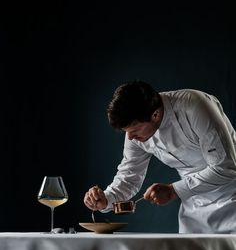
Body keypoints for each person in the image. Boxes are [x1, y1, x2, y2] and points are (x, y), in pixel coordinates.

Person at [83, 80, 236, 233]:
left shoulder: (195, 105)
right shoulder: (136, 131)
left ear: (155, 114)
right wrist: (106, 199)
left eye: (134, 130)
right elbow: (129, 177)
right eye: (126, 132)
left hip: (232, 200)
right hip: (194, 210)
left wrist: (172, 190)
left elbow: (225, 167)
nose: (129, 138)